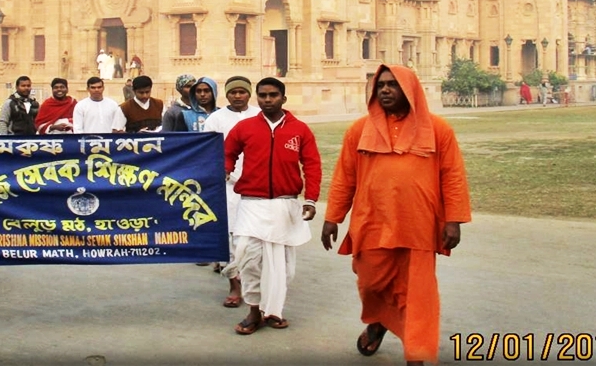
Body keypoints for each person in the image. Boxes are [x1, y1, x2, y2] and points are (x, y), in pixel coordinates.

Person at [320, 65, 471, 364]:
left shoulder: (438, 129)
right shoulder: (359, 130)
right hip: (371, 222)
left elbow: (452, 176)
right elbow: (344, 177)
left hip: (419, 225)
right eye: (381, 85)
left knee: (418, 294)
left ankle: (416, 353)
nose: (385, 90)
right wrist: (332, 217)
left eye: (393, 85)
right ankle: (379, 320)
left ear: (411, 90)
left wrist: (453, 219)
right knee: (370, 281)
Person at [221, 77, 321, 335]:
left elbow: (312, 165)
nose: (267, 100)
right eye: (263, 95)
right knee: (249, 259)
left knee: (282, 266)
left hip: (285, 205)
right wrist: (225, 169)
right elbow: (228, 153)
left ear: (283, 98)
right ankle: (254, 312)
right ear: (258, 98)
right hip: (252, 204)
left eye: (273, 95)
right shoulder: (244, 128)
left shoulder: (300, 130)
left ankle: (273, 311)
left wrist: (310, 199)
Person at [202, 75, 259, 308]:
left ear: (249, 93)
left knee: (255, 239)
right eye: (233, 92)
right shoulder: (216, 119)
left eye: (242, 92)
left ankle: (255, 286)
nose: (237, 96)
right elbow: (207, 150)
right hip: (227, 186)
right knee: (232, 238)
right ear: (226, 94)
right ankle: (235, 286)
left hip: (258, 186)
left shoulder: (259, 115)